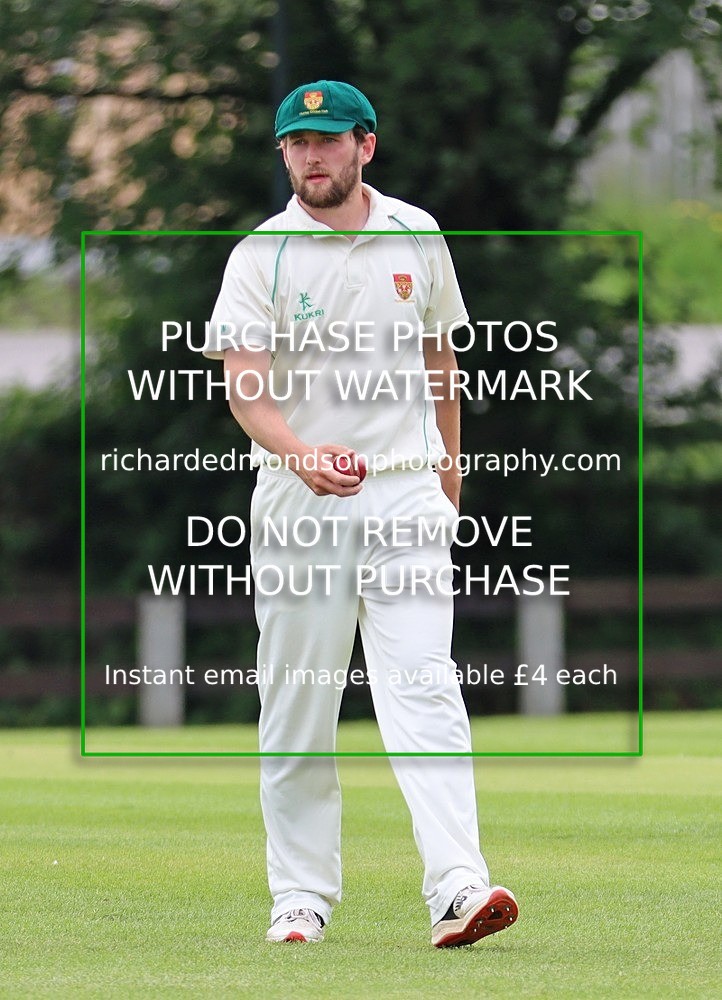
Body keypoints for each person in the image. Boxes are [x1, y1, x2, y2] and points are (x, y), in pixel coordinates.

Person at [204, 80, 518, 948]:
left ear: (364, 146)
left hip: (406, 497)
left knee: (426, 688)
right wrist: (304, 457)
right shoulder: (258, 256)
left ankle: (459, 887)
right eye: (298, 144)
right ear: (283, 155)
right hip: (300, 503)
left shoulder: (418, 232)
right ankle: (299, 897)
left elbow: (440, 360)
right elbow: (245, 389)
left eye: (330, 140)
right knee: (299, 701)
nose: (313, 156)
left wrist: (449, 482)